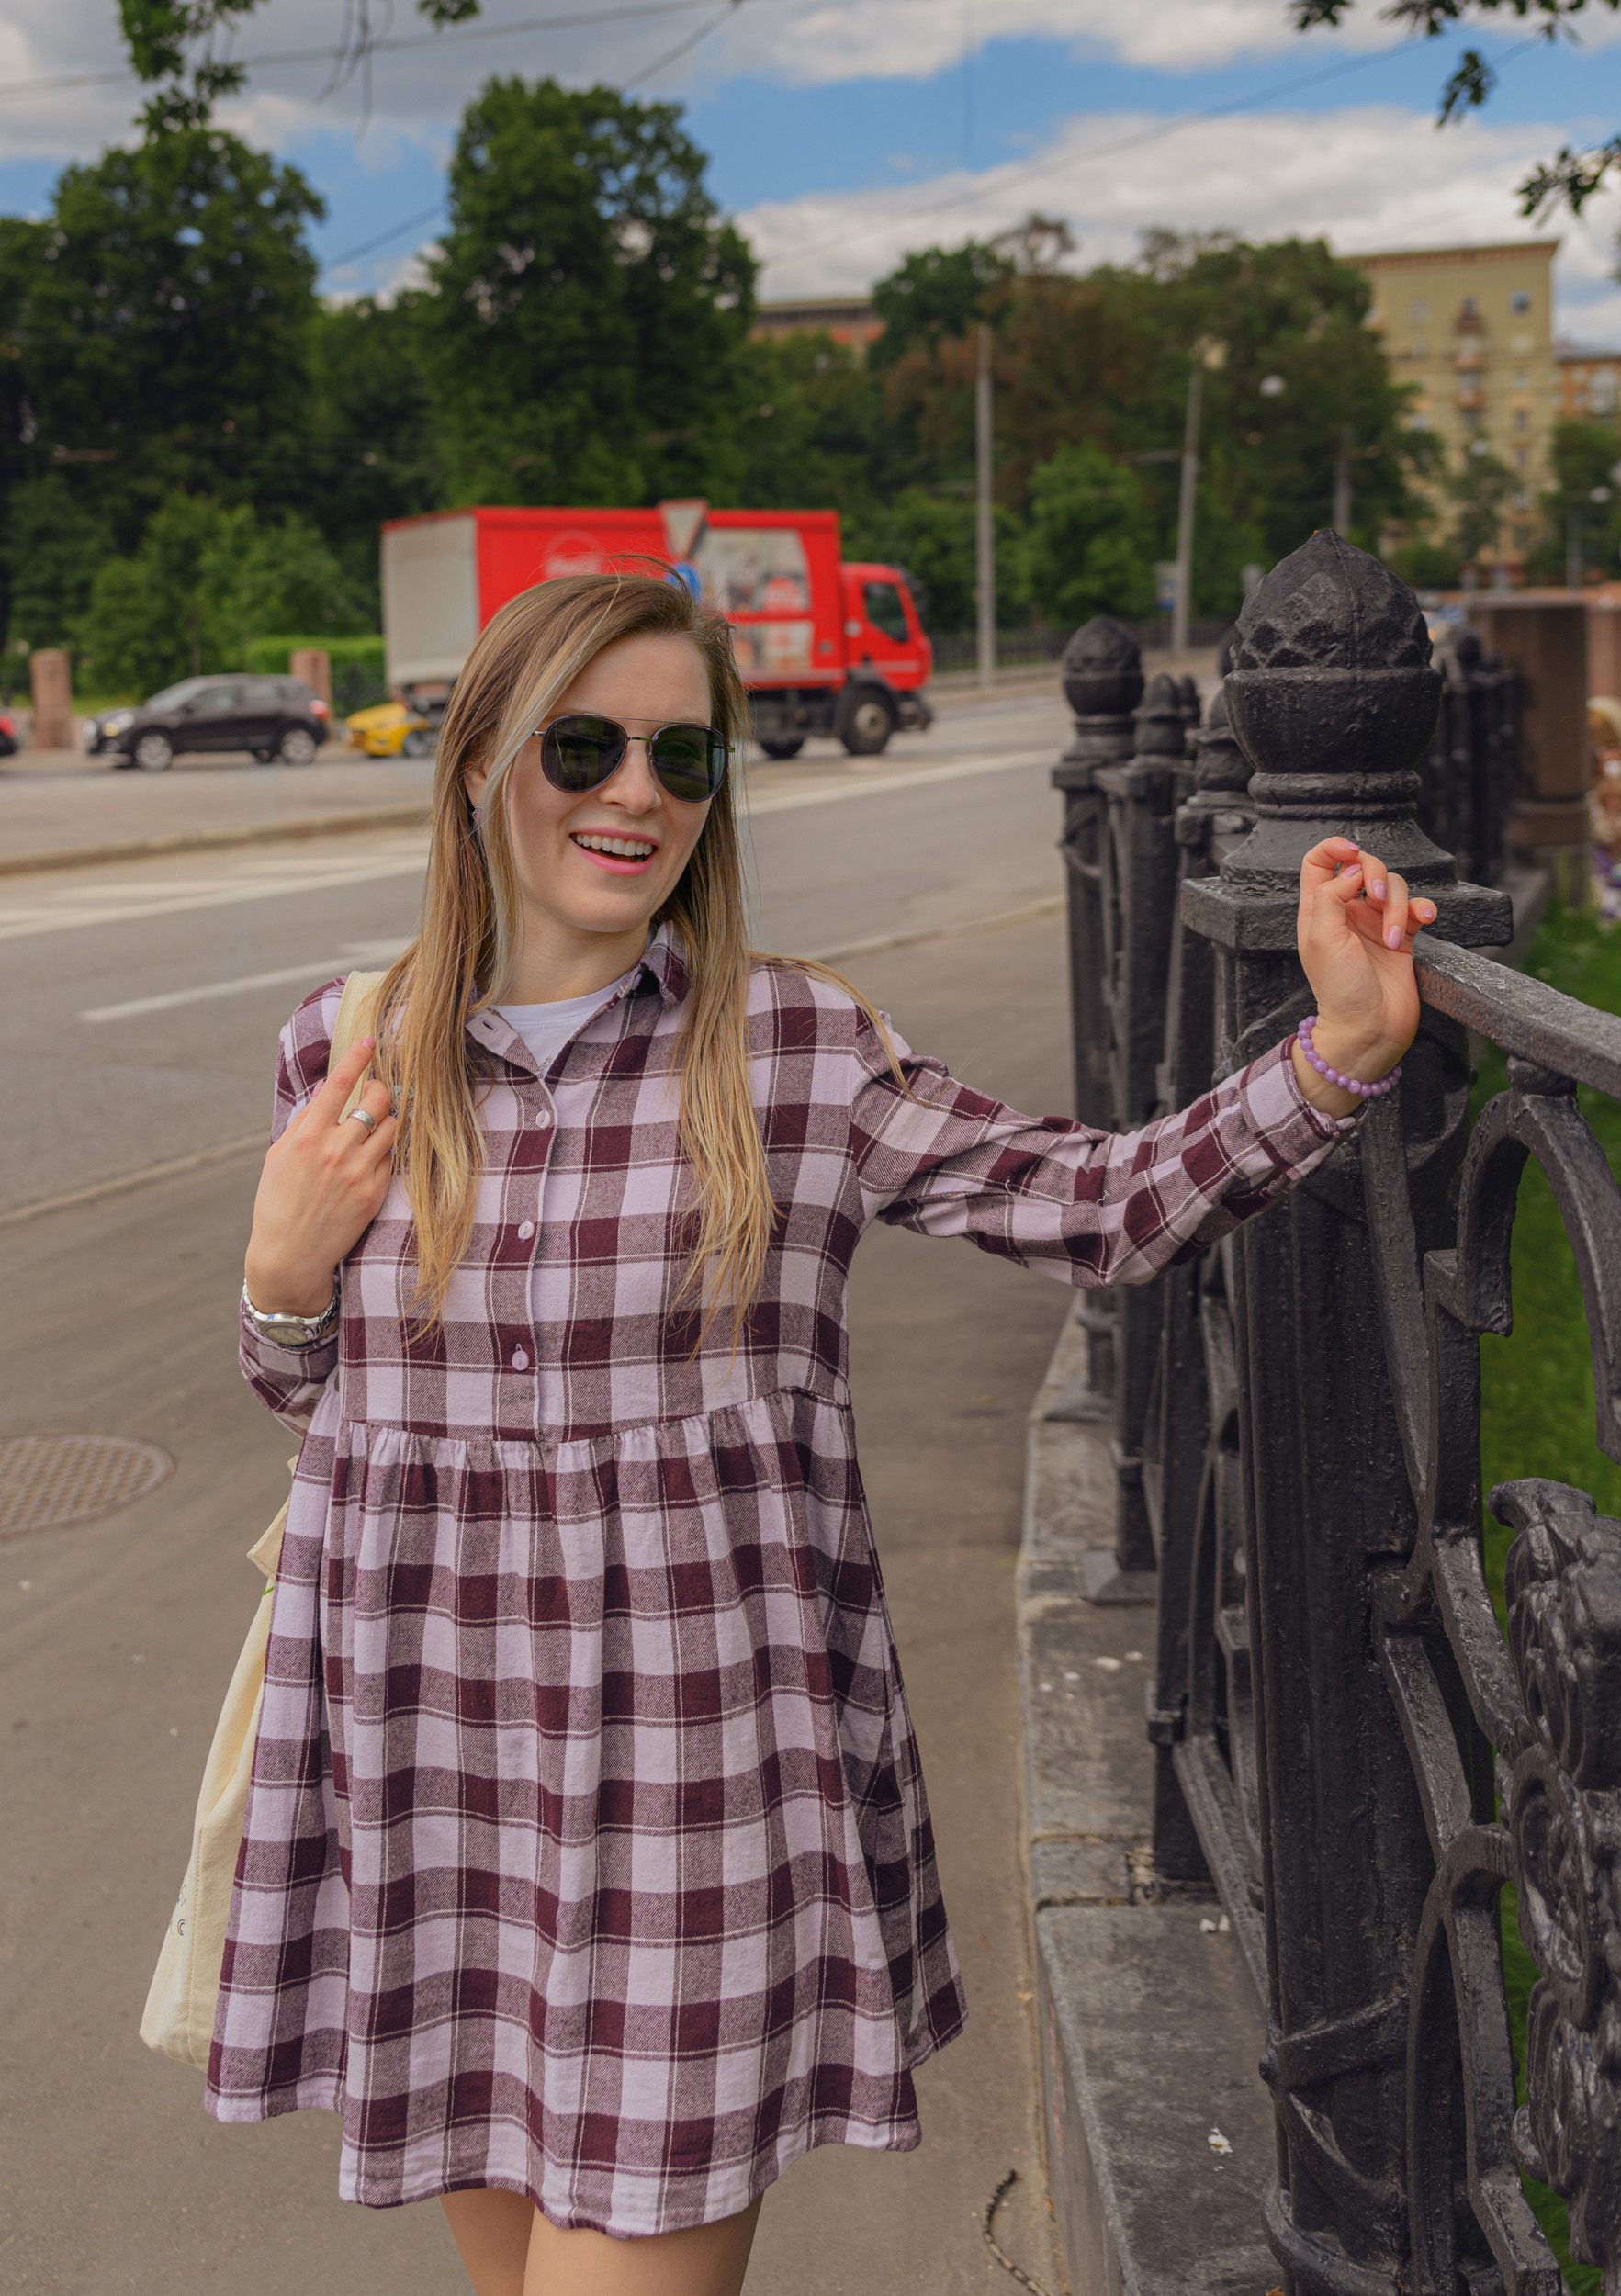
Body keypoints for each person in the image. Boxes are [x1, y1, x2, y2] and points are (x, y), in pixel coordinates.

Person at [218, 570, 1437, 2296]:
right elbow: (310, 1401)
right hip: (432, 1768)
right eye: (585, 743)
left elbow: (1094, 1204)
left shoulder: (790, 1049)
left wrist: (1336, 1053)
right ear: (482, 755)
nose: (636, 791)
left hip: (693, 1782)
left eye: (683, 757)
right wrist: (277, 1276)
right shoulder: (346, 1052)